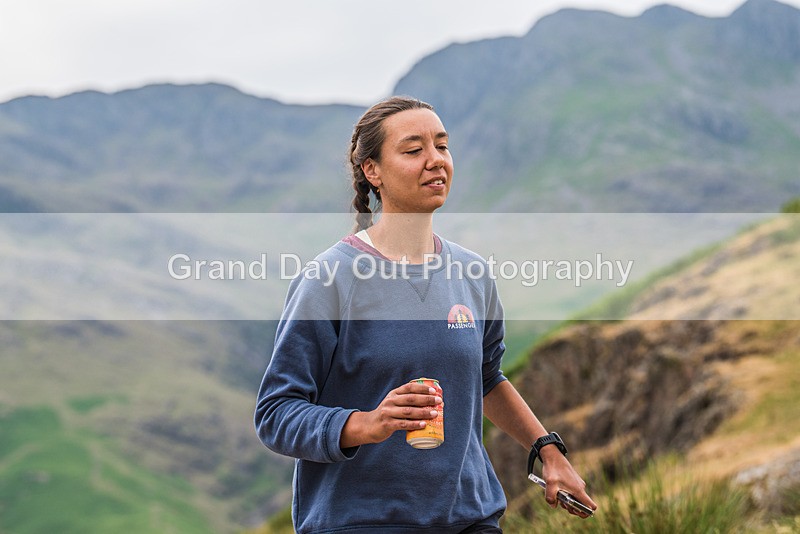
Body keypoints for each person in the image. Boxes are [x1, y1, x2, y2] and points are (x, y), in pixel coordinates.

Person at [254, 96, 596, 533]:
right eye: (414, 150)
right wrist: (364, 424)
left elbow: (487, 377)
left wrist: (548, 450)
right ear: (371, 171)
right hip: (362, 522)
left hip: (470, 518)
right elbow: (276, 413)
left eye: (442, 146)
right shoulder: (329, 279)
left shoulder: (472, 273)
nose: (435, 161)